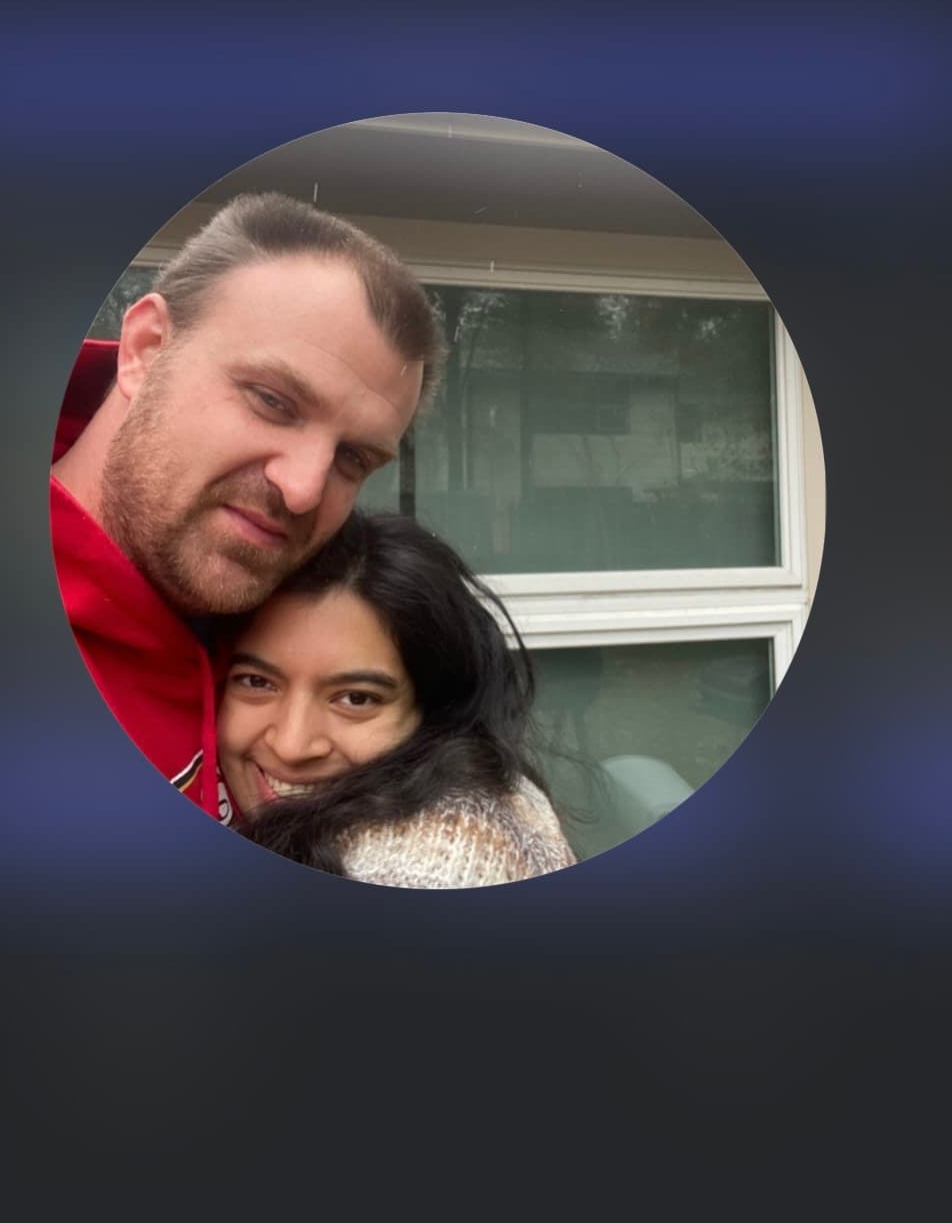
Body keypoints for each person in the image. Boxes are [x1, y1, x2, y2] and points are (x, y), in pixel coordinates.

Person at [50, 192, 444, 824]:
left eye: (353, 459)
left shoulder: (284, 613)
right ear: (146, 349)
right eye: (271, 401)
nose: (304, 491)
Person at [217, 510, 577, 888]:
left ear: (434, 709)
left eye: (356, 699)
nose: (292, 746)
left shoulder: (442, 859)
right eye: (257, 681)